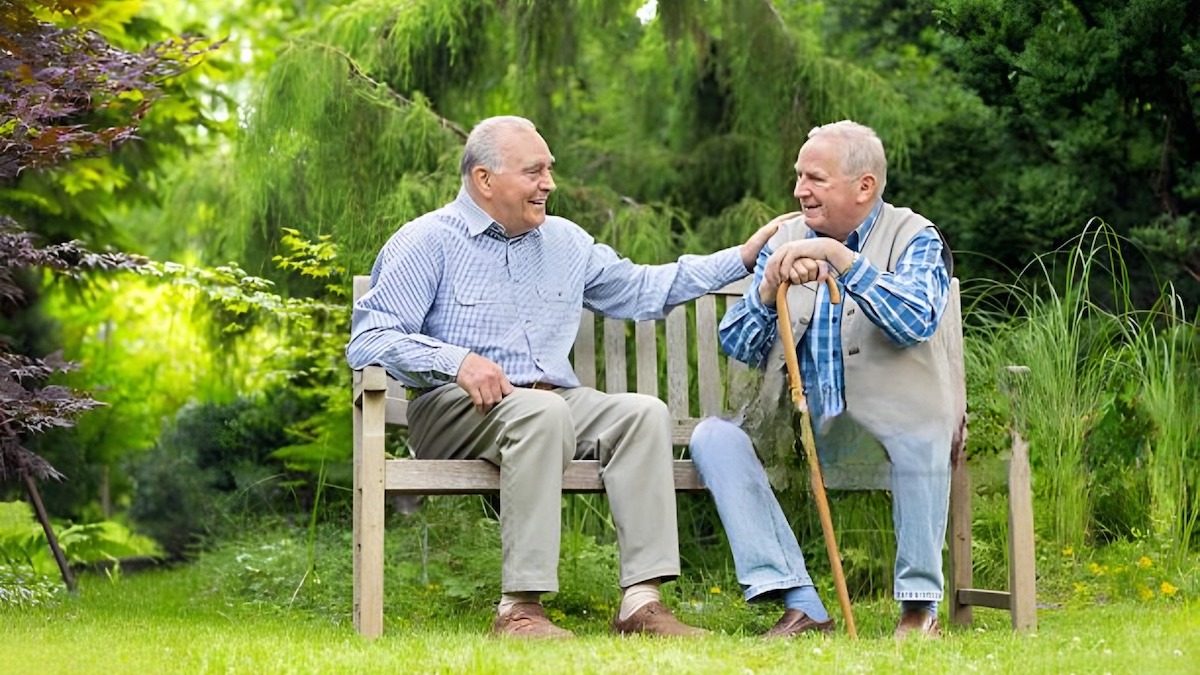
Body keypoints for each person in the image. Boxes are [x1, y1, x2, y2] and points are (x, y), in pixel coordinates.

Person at [347, 115, 779, 639]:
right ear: (485, 180)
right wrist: (456, 360)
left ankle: (641, 604)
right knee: (543, 412)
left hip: (548, 404)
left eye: (548, 169)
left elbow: (643, 288)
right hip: (452, 412)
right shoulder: (426, 241)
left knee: (644, 415)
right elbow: (369, 339)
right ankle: (519, 609)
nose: (548, 183)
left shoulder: (566, 243)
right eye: (534, 171)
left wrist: (742, 258)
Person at [689, 120, 957, 639]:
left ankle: (919, 608)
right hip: (798, 430)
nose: (799, 191)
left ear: (864, 187)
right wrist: (768, 289)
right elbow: (738, 345)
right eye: (798, 176)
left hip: (886, 430)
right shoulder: (786, 238)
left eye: (815, 178)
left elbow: (917, 319)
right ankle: (801, 601)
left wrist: (842, 260)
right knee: (712, 437)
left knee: (925, 432)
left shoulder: (914, 237)